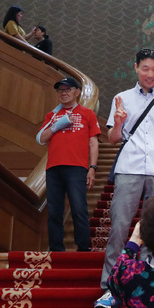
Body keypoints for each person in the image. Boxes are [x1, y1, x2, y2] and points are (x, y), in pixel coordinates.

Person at [95, 48, 154, 308]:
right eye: (145, 68)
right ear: (136, 68)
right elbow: (112, 138)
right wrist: (119, 123)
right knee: (120, 228)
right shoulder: (121, 98)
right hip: (129, 168)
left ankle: (144, 286)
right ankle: (110, 288)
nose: (150, 74)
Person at [36, 77, 100, 252]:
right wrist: (58, 125)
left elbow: (93, 143)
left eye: (68, 89)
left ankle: (83, 248)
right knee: (54, 211)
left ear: (77, 92)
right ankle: (57, 249)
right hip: (53, 168)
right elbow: (41, 138)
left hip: (77, 167)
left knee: (79, 208)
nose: (64, 93)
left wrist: (92, 168)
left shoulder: (87, 113)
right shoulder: (52, 115)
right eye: (60, 90)